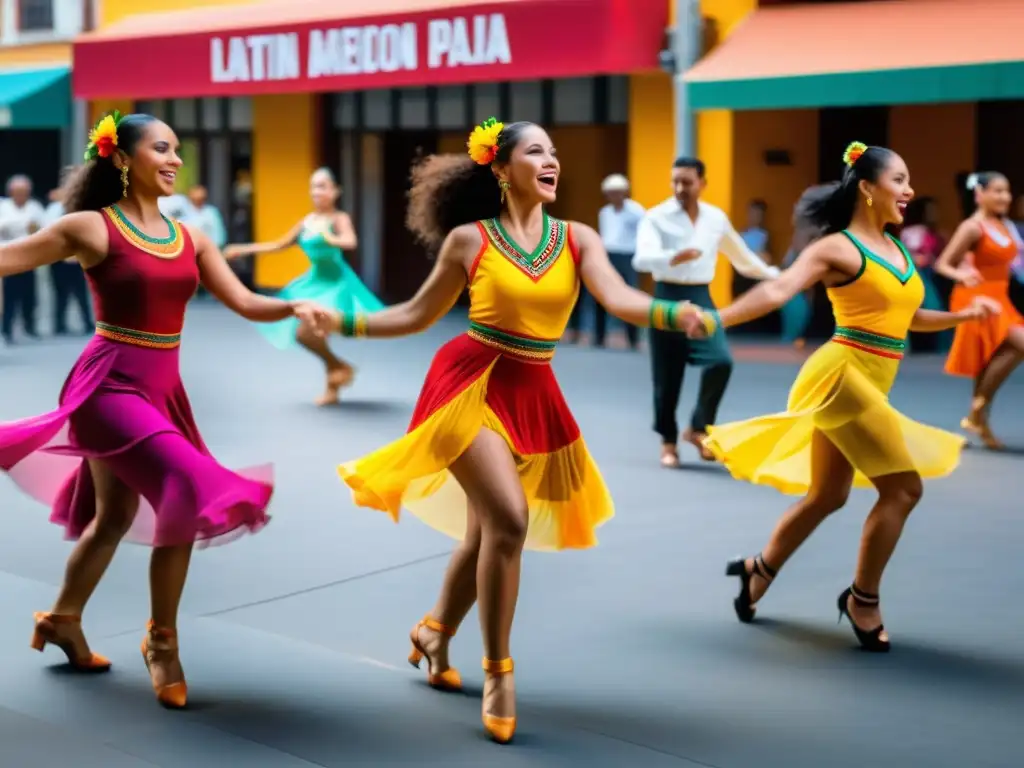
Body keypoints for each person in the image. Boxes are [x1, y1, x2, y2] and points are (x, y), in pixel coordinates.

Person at [317, 118, 698, 743]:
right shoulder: (470, 240)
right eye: (536, 151)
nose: (552, 160)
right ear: (501, 169)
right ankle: (499, 672)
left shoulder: (577, 238)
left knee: (482, 535)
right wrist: (343, 323)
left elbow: (619, 298)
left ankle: (434, 633)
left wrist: (669, 311)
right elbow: (415, 315)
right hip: (468, 383)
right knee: (510, 519)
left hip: (533, 390)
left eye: (554, 151)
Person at [0, 112, 329, 708]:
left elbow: (247, 301)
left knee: (114, 517)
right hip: (107, 387)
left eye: (178, 149)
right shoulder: (91, 228)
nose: (175, 159)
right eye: (161, 148)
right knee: (183, 483)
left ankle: (62, 618)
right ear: (122, 159)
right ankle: (163, 643)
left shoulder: (192, 238)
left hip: (162, 391)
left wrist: (292, 306)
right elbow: (8, 258)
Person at [682, 142, 997, 652]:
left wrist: (964, 317)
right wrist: (717, 318)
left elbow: (909, 319)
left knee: (828, 495)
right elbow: (777, 290)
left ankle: (758, 569)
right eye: (899, 180)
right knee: (903, 489)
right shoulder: (837, 249)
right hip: (839, 375)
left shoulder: (896, 252)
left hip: (873, 377)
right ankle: (862, 598)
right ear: (867, 188)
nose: (910, 190)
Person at [632, 157, 779, 467]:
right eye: (675, 181)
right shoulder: (656, 216)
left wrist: (775, 275)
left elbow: (742, 257)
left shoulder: (715, 219)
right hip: (666, 298)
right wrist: (673, 257)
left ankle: (698, 428)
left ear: (702, 183)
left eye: (686, 181)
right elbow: (641, 259)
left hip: (701, 297)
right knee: (666, 378)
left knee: (721, 361)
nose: (679, 188)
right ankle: (668, 443)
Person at [225, 168, 383, 405]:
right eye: (314, 187)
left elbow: (350, 241)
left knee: (307, 331)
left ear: (335, 191)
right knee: (306, 333)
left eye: (322, 186)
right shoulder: (307, 222)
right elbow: (279, 244)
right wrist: (244, 249)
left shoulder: (338, 218)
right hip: (313, 283)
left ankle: (336, 372)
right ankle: (337, 371)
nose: (317, 192)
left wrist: (331, 238)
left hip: (336, 283)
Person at [935, 172, 1024, 449]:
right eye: (996, 191)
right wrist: (961, 275)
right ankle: (977, 410)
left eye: (1006, 191)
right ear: (980, 194)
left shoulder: (1005, 225)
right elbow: (943, 263)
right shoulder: (972, 227)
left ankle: (979, 418)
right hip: (975, 298)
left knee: (994, 357)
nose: (1004, 197)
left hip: (1001, 298)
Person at [592, 173, 645, 349]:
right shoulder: (605, 212)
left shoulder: (636, 211)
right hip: (609, 254)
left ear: (625, 192)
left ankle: (633, 339)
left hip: (628, 256)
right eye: (611, 193)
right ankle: (599, 337)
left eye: (618, 192)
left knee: (629, 296)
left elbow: (644, 234)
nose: (614, 196)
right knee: (601, 294)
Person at [45, 167, 95, 336]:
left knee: (82, 293)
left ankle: (88, 323)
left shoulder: (85, 206)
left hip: (79, 257)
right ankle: (59, 324)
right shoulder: (53, 209)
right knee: (60, 293)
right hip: (59, 258)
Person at [0, 175, 45, 343]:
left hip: (29, 256)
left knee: (30, 295)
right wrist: (17, 225)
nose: (21, 195)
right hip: (9, 256)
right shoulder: (3, 206)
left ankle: (30, 326)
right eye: (18, 192)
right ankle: (7, 330)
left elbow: (45, 226)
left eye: (24, 192)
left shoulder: (34, 206)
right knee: (10, 296)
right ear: (11, 192)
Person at [901, 197, 950, 352]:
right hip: (916, 275)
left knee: (939, 310)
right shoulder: (912, 231)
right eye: (930, 211)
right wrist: (919, 259)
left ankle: (942, 348)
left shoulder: (937, 233)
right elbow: (909, 254)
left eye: (935, 211)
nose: (933, 214)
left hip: (936, 275)